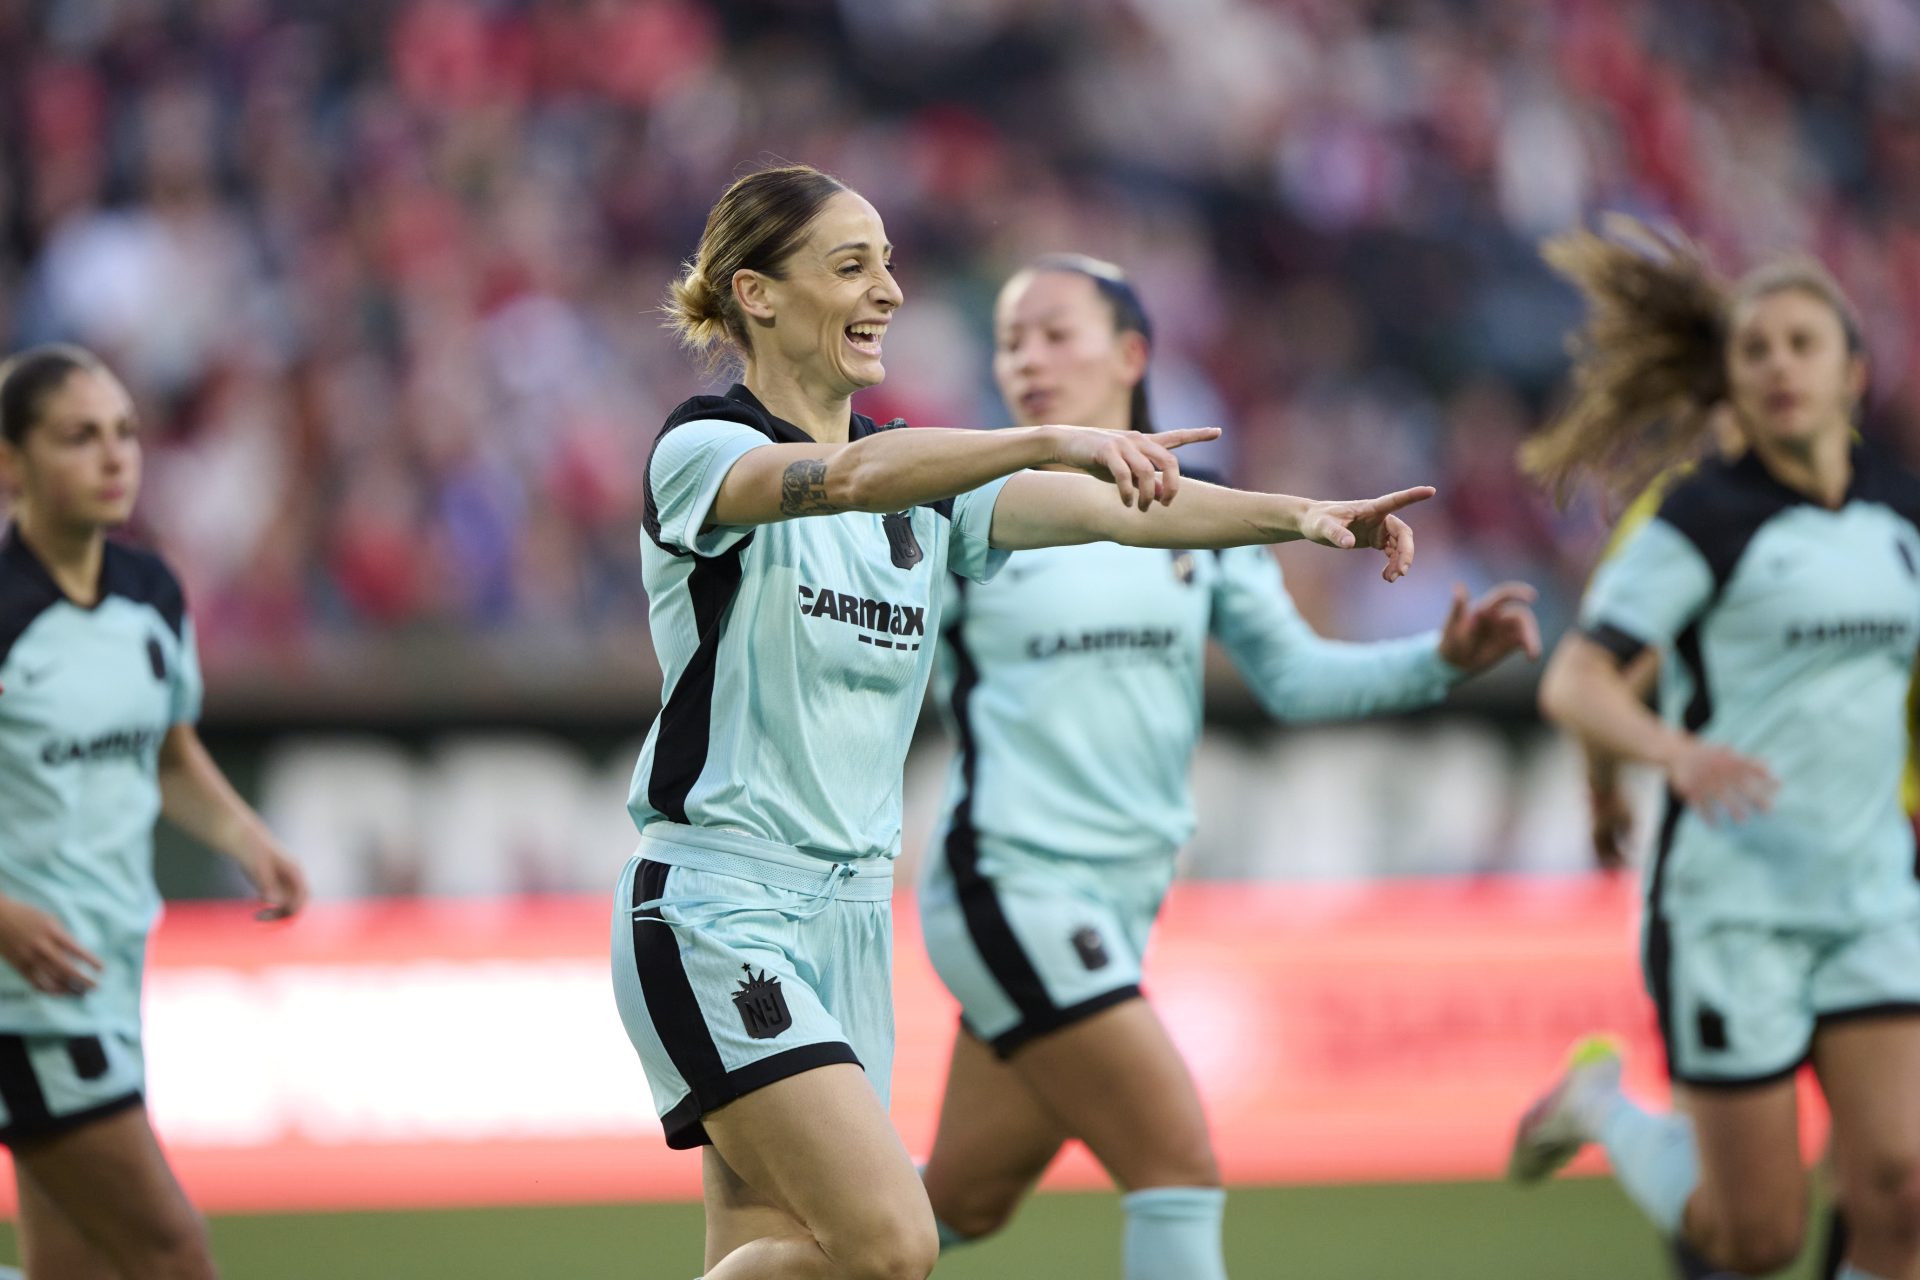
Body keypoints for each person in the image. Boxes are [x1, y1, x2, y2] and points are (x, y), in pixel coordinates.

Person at [610, 164, 1438, 1280]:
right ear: (757, 295)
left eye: (891, 262)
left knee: (785, 1253)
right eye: (853, 265)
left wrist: (1298, 515)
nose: (891, 291)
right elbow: (850, 478)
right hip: (721, 904)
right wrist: (1047, 437)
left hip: (850, 912)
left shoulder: (930, 493)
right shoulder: (703, 449)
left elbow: (1118, 510)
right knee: (894, 1242)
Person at [911, 253, 1540, 1280]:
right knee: (1178, 1162)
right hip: (1008, 885)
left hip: (1121, 900)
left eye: (1054, 331)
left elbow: (1295, 681)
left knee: (944, 1207)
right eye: (1010, 337)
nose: (1026, 355)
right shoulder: (974, 512)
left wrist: (1438, 662)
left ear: (1132, 354)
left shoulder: (1206, 518)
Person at [1509, 218, 1920, 1280]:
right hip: (1733, 901)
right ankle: (1604, 1104)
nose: (1779, 366)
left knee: (1904, 1193)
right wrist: (1655, 761)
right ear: (1729, 383)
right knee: (1758, 1237)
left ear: (1854, 371)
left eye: (1802, 344)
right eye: (1756, 350)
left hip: (1874, 889)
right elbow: (1585, 676)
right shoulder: (1696, 517)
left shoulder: (1900, 514)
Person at [0, 345, 309, 1280]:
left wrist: (246, 835)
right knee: (171, 1250)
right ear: (12, 462)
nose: (113, 457)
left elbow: (167, 751)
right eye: (79, 437)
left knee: (75, 1266)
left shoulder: (151, 596)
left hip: (110, 962)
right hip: (27, 993)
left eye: (125, 434)